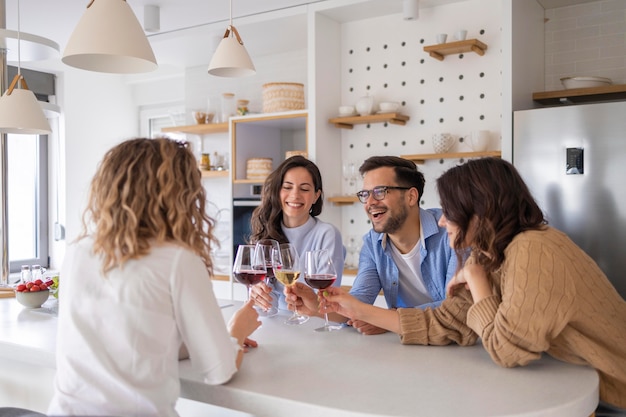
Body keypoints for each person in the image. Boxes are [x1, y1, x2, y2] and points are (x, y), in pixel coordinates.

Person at [321, 157, 626, 414]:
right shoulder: (495, 254)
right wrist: (355, 308)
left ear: (480, 210)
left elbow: (507, 351)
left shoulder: (534, 248)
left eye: (450, 209)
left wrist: (476, 278)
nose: (441, 221)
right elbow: (449, 321)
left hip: (616, 395)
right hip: (582, 387)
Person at [48, 138, 261, 417]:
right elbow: (219, 371)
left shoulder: (78, 251)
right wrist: (236, 331)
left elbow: (134, 338)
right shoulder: (177, 259)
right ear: (179, 195)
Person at [286, 155, 456, 334]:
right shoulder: (372, 243)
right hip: (407, 346)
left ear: (411, 196)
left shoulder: (452, 230)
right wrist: (315, 305)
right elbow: (358, 303)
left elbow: (456, 307)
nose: (370, 203)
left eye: (380, 192)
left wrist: (388, 318)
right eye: (365, 194)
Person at [248, 155, 344, 312]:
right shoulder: (266, 232)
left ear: (316, 196)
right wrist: (256, 292)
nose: (295, 195)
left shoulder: (327, 234)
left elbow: (327, 299)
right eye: (287, 187)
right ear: (277, 191)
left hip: (314, 326)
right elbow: (265, 310)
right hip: (275, 325)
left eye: (304, 189)